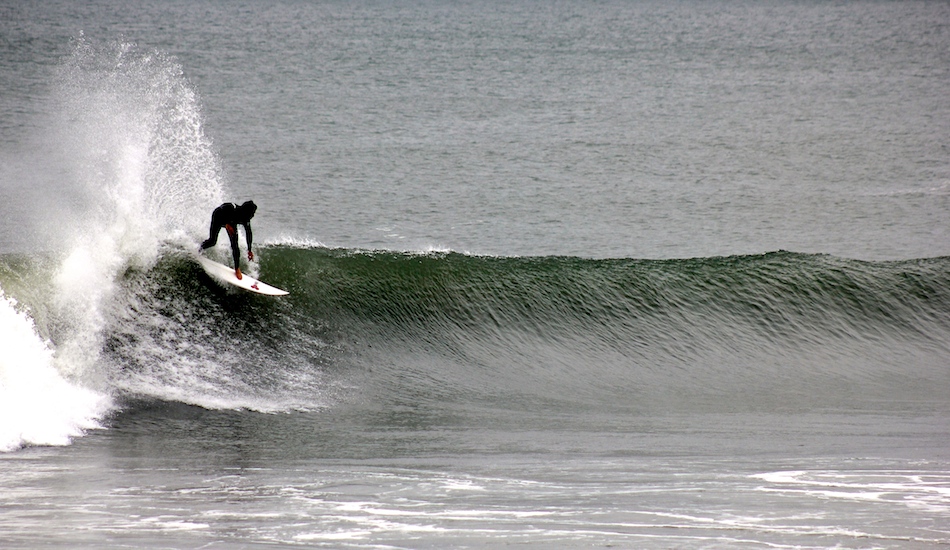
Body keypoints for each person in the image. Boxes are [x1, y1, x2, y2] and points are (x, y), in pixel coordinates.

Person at [199, 201, 257, 280]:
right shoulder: (232, 207)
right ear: (246, 211)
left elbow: (249, 233)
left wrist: (249, 250)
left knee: (235, 245)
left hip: (231, 223)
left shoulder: (245, 219)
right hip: (218, 217)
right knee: (212, 241)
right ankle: (199, 250)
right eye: (252, 213)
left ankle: (237, 269)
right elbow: (222, 208)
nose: (253, 215)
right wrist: (226, 224)